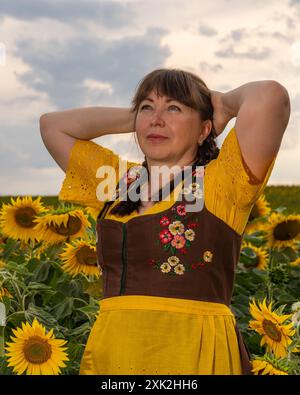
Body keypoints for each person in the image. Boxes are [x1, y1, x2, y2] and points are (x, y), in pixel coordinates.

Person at [39, 68, 290, 375]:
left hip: (193, 354)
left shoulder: (222, 183)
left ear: (203, 130)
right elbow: (52, 125)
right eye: (148, 107)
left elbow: (270, 96)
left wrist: (223, 104)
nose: (157, 119)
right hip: (116, 354)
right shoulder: (114, 181)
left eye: (174, 108)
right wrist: (138, 119)